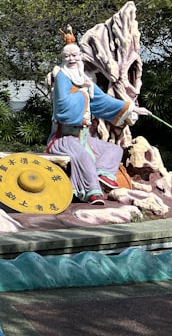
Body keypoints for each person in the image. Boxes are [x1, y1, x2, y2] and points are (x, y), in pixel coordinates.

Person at [47, 28, 148, 204]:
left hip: (83, 138)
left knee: (114, 149)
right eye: (67, 57)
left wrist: (132, 108)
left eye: (75, 56)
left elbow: (101, 101)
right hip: (64, 137)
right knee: (84, 157)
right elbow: (63, 108)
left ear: (80, 56)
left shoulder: (83, 78)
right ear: (63, 59)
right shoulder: (63, 77)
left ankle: (103, 176)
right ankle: (93, 193)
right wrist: (83, 94)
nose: (72, 59)